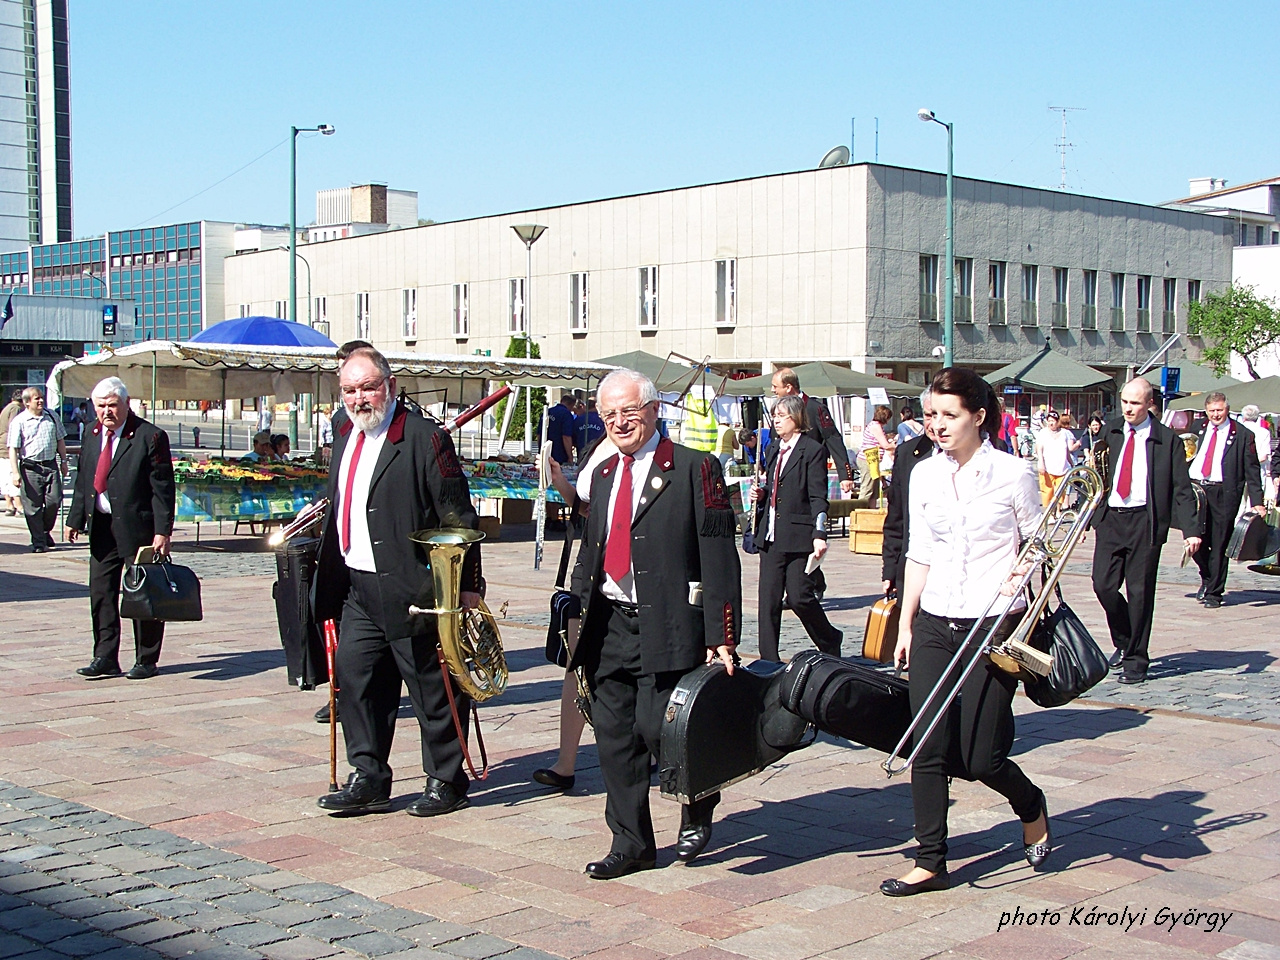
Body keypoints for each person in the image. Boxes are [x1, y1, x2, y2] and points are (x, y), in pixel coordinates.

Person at [883, 366, 1049, 897]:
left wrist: (1021, 579)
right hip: (935, 619)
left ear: (978, 417)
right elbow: (920, 552)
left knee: (981, 758)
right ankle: (931, 860)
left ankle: (1030, 804)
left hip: (991, 626)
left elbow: (1037, 545)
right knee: (925, 743)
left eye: (948, 415)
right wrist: (905, 622)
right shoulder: (922, 473)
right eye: (931, 415)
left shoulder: (1014, 474)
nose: (937, 425)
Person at [569, 368, 741, 879]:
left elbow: (719, 559)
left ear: (653, 410)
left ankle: (696, 803)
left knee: (663, 727)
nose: (620, 422)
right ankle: (631, 842)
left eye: (629, 411)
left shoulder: (694, 468)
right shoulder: (601, 475)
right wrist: (574, 613)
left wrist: (721, 636)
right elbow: (592, 550)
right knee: (614, 736)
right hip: (610, 625)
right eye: (609, 415)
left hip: (669, 623)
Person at [311, 344, 483, 818]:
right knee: (358, 679)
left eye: (367, 387)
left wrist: (467, 585)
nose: (359, 398)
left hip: (415, 587)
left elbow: (458, 513)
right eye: (349, 389)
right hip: (357, 585)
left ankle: (447, 779)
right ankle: (369, 776)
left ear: (389, 385)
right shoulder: (344, 433)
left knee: (433, 688)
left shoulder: (425, 438)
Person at [1090, 378, 1202, 683]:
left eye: (1135, 403)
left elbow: (1181, 488)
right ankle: (1125, 640)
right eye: (1125, 402)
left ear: (1149, 403)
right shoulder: (1111, 431)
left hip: (1145, 521)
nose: (1128, 408)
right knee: (1103, 585)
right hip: (1112, 518)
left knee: (1139, 593)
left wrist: (1191, 530)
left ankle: (1137, 659)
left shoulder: (1167, 440)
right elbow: (1097, 473)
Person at [66, 377, 176, 681]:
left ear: (126, 404)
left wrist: (162, 531)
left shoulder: (149, 436)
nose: (106, 412)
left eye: (112, 405)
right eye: (100, 406)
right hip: (102, 527)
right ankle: (104, 655)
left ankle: (146, 658)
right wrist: (76, 518)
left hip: (137, 528)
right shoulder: (91, 432)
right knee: (101, 592)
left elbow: (163, 489)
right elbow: (84, 477)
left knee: (141, 593)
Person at [536, 434, 618, 791]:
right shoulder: (600, 445)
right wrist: (557, 478)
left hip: (628, 568)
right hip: (589, 563)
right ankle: (565, 762)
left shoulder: (647, 451)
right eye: (608, 410)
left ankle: (646, 750)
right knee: (575, 662)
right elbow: (583, 507)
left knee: (629, 664)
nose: (615, 418)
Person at [751, 394, 840, 661]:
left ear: (796, 418)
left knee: (800, 596)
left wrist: (819, 533)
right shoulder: (774, 448)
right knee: (768, 599)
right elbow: (776, 488)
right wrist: (763, 494)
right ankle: (769, 658)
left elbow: (817, 496)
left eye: (782, 416)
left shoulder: (812, 450)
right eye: (774, 416)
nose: (776, 421)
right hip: (771, 534)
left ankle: (829, 638)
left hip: (798, 534)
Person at [1190, 392, 1264, 609]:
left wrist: (1257, 501)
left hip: (1224, 493)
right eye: (1212, 410)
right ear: (1206, 411)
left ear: (1227, 409)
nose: (1216, 414)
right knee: (1196, 542)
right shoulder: (1197, 430)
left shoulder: (1242, 434)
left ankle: (1214, 592)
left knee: (1220, 542)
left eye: (1220, 410)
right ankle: (1207, 575)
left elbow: (1252, 470)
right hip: (1197, 490)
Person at [881, 389, 935, 596]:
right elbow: (896, 517)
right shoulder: (907, 454)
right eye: (929, 415)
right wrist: (890, 568)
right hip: (912, 569)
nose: (934, 423)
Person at [770, 368, 854, 493]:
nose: (772, 390)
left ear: (788, 387)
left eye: (775, 386)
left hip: (809, 474)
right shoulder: (778, 410)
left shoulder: (815, 408)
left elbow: (832, 438)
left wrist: (845, 475)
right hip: (783, 475)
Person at [7, 387, 69, 552]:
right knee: (33, 508)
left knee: (54, 501)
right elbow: (13, 448)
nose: (40, 401)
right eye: (36, 399)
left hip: (50, 466)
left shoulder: (52, 416)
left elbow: (60, 440)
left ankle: (44, 530)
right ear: (27, 402)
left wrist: (63, 462)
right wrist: (15, 472)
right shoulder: (19, 421)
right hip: (30, 468)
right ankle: (39, 542)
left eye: (41, 398)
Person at [1035, 410, 1081, 507]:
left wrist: (1072, 465)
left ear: (1058, 422)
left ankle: (1058, 510)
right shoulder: (1043, 433)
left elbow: (1067, 451)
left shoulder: (1064, 433)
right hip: (1047, 468)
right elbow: (1039, 449)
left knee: (1060, 491)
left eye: (1053, 421)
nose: (1051, 423)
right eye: (1049, 420)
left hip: (1062, 467)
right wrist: (1041, 463)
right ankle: (1050, 514)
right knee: (1048, 492)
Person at [858, 405, 897, 504]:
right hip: (868, 460)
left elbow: (879, 443)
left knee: (874, 491)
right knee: (867, 489)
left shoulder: (875, 425)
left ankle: (871, 513)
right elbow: (886, 445)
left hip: (873, 460)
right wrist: (896, 445)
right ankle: (860, 512)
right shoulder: (876, 426)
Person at [1239, 404, 1273, 503]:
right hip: (1257, 473)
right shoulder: (1264, 432)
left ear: (1243, 416)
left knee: (1238, 507)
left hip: (1238, 472)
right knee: (1255, 506)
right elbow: (1264, 456)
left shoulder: (1238, 431)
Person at [0, 388, 23, 516]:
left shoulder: (6, 408)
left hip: (1, 447)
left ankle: (9, 505)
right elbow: (14, 427)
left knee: (4, 478)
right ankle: (19, 506)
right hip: (9, 447)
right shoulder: (16, 409)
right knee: (14, 476)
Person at [545, 393, 577, 465]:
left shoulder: (547, 412)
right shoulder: (566, 415)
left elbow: (539, 434)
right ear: (572, 404)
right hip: (559, 455)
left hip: (546, 452)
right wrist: (570, 456)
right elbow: (566, 436)